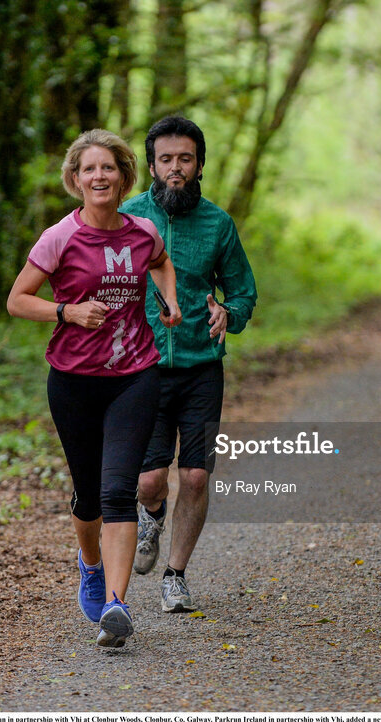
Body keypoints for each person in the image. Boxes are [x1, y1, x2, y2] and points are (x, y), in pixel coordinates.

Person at [7, 129, 182, 648]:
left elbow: (161, 263)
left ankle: (116, 604)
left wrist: (168, 302)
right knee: (88, 497)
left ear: (124, 176)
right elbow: (18, 300)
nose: (99, 176)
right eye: (89, 169)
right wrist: (67, 311)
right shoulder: (60, 237)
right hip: (74, 383)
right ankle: (89, 565)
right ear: (76, 179)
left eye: (108, 168)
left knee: (117, 491)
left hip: (134, 375)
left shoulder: (142, 231)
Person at [120, 116, 257, 613]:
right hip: (143, 365)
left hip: (202, 365)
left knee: (196, 477)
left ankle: (175, 576)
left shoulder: (218, 224)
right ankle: (150, 513)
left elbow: (244, 292)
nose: (175, 168)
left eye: (185, 159)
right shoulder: (127, 217)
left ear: (200, 164)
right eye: (166, 159)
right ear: (152, 166)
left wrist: (229, 311)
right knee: (150, 481)